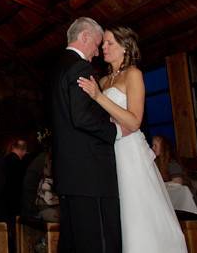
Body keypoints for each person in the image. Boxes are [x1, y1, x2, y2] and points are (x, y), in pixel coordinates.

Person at [78, 26, 187, 253]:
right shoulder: (104, 79)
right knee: (116, 214)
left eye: (109, 43)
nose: (103, 47)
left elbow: (135, 121)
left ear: (125, 47)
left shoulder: (133, 74)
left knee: (136, 213)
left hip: (129, 151)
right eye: (103, 43)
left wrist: (98, 96)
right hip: (108, 151)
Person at [50, 16, 123, 253]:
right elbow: (81, 117)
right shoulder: (80, 66)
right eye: (97, 44)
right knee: (96, 241)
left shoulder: (56, 66)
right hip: (90, 173)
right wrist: (115, 131)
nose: (97, 52)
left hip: (69, 173)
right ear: (84, 37)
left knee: (72, 241)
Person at [4, 138, 28, 217]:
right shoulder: (18, 163)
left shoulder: (5, 159)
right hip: (14, 201)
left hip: (5, 201)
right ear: (24, 151)